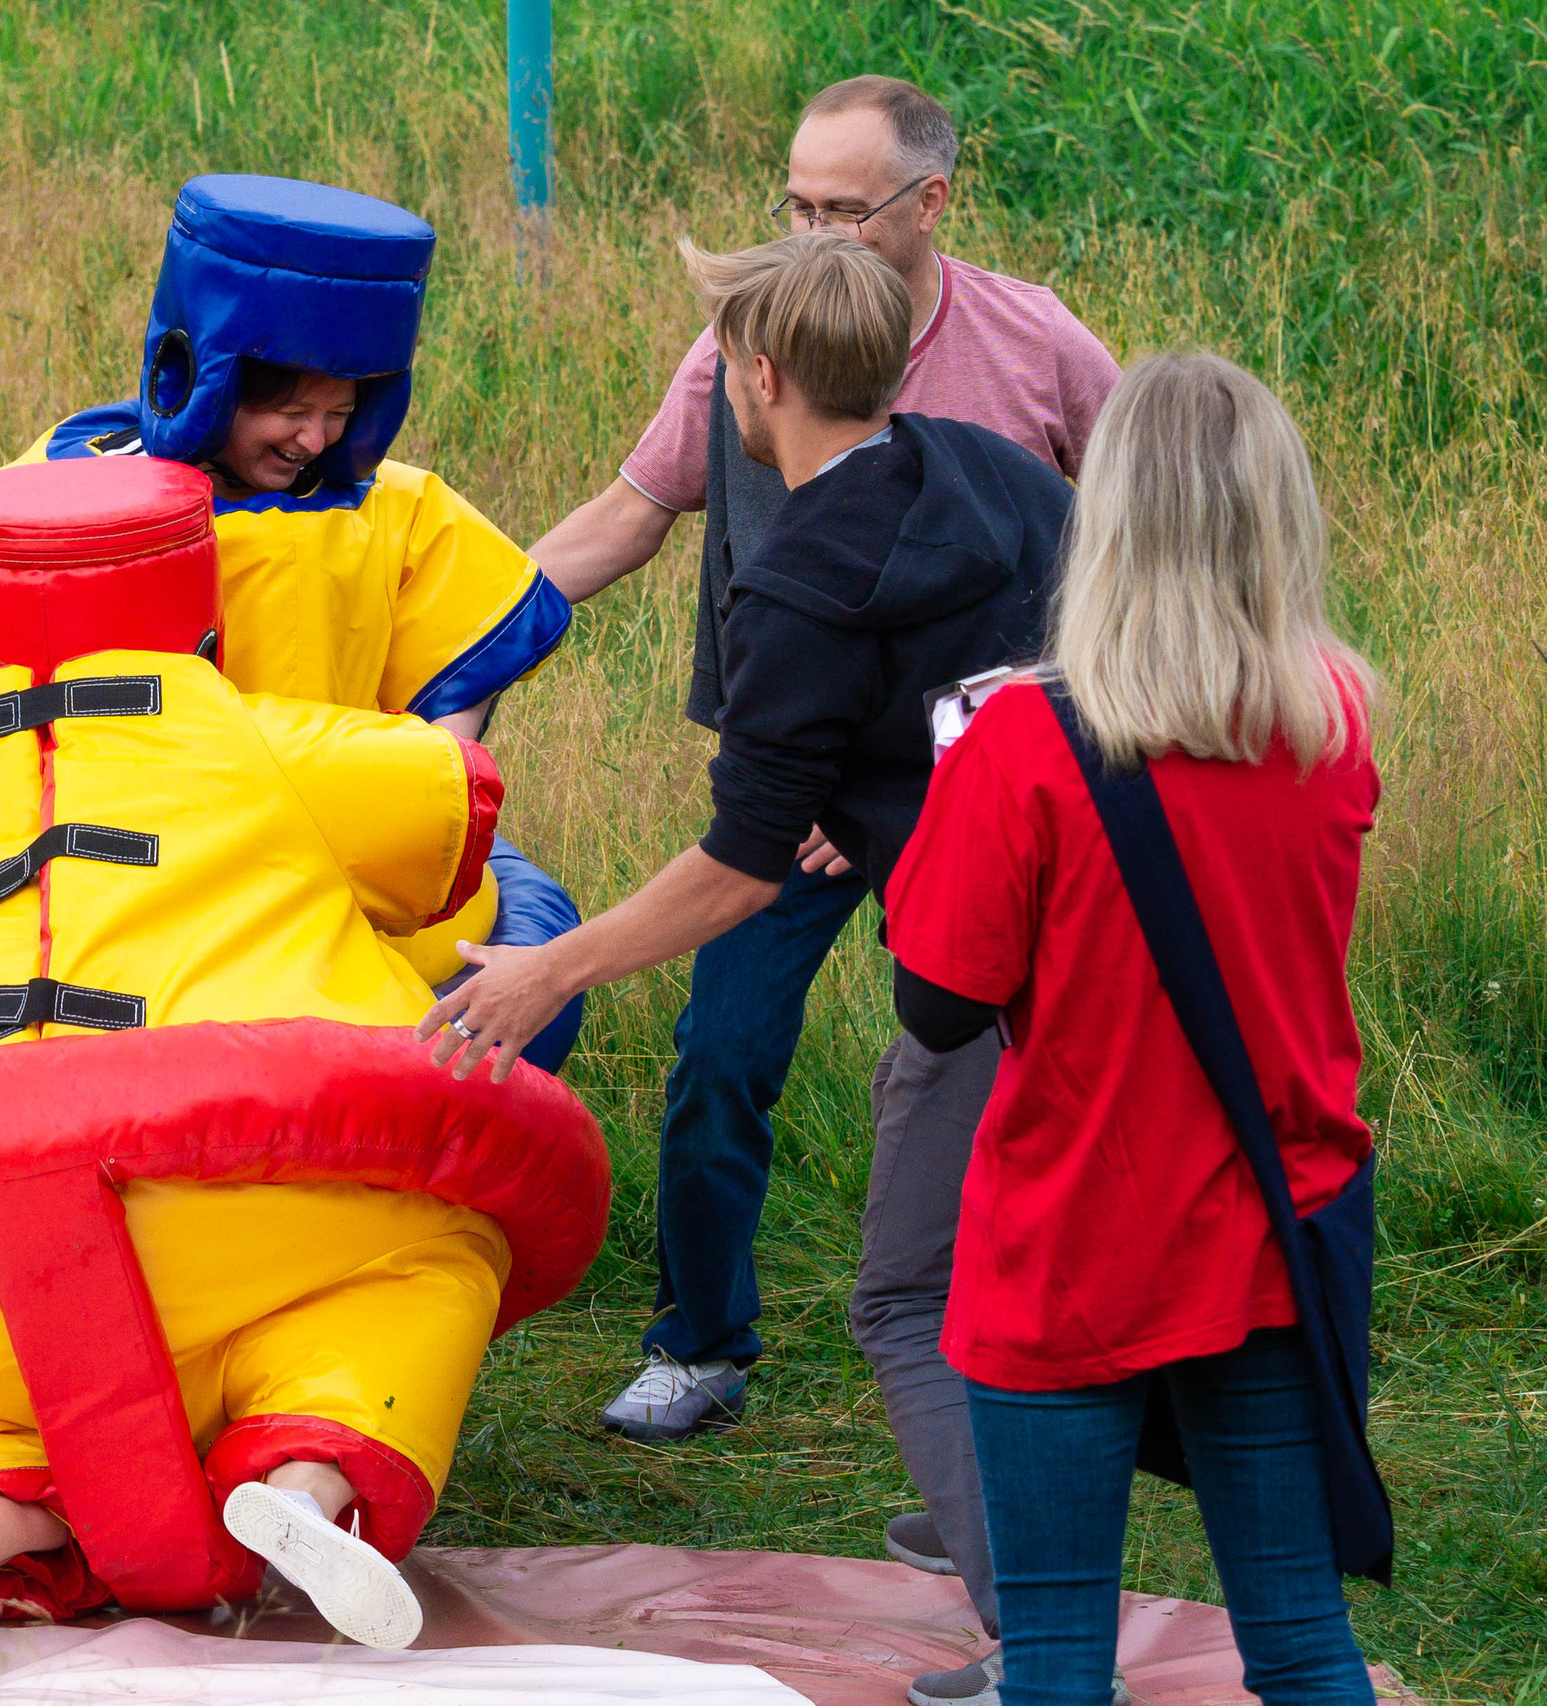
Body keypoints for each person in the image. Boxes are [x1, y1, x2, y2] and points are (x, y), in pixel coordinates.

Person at [0, 454, 608, 1698]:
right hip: (249, 1197)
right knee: (418, 1269)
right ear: (201, 600)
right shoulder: (269, 735)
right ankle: (307, 1474)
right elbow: (451, 814)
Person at [421, 231, 1081, 1706]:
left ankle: (1038, 1635)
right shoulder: (1008, 477)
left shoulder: (793, 583)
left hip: (995, 971)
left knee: (907, 1295)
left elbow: (736, 865)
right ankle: (996, 1499)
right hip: (1123, 933)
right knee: (1019, 1255)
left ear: (756, 376)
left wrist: (546, 970)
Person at [528, 74, 1120, 1458]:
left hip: (974, 812)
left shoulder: (1035, 347)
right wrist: (458, 640)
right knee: (721, 1053)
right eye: (792, 203)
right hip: (786, 805)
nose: (808, 235)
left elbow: (1121, 544)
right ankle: (698, 1341)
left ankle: (1017, 1357)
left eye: (840, 211)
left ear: (930, 205)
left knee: (1005, 1075)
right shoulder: (748, 339)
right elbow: (628, 515)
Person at [0, 174, 585, 1067]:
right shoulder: (79, 476)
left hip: (308, 865)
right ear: (211, 378)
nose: (314, 440)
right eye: (290, 410)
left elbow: (446, 745)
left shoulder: (388, 513)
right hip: (86, 882)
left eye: (339, 415)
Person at [884, 353, 1381, 1705]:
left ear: (1105, 519)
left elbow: (935, 1002)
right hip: (1273, 1226)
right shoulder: (1331, 722)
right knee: (1295, 1633)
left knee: (1053, 1654)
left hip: (1071, 1241)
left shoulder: (1023, 746)